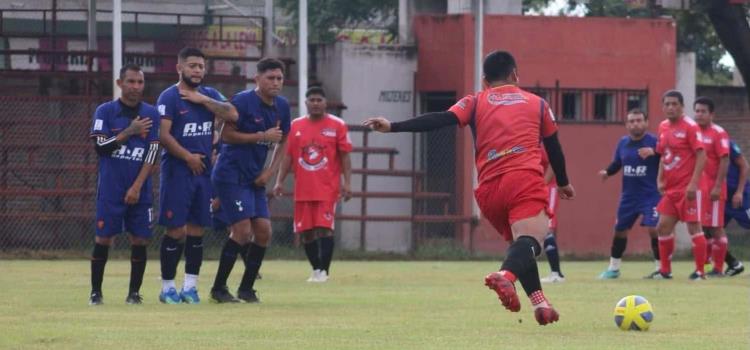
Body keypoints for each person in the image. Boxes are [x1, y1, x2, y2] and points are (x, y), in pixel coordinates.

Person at [364, 51, 574, 325]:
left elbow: (439, 119)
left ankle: (541, 304)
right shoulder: (537, 104)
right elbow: (554, 147)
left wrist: (393, 126)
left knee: (518, 246)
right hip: (523, 180)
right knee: (533, 241)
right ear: (514, 75)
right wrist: (564, 180)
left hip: (488, 192)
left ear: (485, 80)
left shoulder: (475, 101)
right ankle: (505, 276)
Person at [156, 47, 239, 304]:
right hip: (178, 171)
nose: (197, 70)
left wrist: (202, 100)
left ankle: (190, 287)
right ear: (179, 67)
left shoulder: (210, 94)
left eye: (201, 66)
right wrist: (187, 157)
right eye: (192, 65)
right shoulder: (168, 97)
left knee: (196, 230)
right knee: (175, 230)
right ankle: (167, 288)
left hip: (203, 173)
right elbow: (162, 135)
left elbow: (233, 114)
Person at [209, 58, 290, 303]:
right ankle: (219, 288)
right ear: (257, 79)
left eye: (279, 78)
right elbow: (226, 136)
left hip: (255, 177)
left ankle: (246, 289)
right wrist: (260, 136)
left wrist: (270, 172)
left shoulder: (282, 106)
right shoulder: (243, 101)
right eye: (270, 78)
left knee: (264, 232)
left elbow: (285, 140)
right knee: (242, 231)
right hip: (230, 174)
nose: (276, 83)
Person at [88, 64, 160, 305]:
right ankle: (96, 293)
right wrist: (128, 132)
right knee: (103, 239)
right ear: (120, 84)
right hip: (110, 190)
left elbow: (152, 153)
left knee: (140, 239)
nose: (136, 87)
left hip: (139, 190)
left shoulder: (151, 113)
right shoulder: (105, 111)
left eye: (140, 82)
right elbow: (101, 148)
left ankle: (134, 293)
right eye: (131, 82)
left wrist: (137, 186)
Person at [273, 86, 353, 283]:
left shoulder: (337, 125)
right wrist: (279, 181)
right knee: (306, 231)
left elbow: (345, 156)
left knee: (325, 228)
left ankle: (324, 271)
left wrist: (347, 183)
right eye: (312, 100)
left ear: (325, 103)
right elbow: (288, 157)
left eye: (319, 100)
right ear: (306, 103)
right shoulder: (295, 126)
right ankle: (316, 269)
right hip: (303, 190)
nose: (316, 103)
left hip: (327, 188)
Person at [597, 109, 662, 279]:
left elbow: (669, 156)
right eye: (632, 121)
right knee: (619, 230)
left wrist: (655, 152)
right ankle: (613, 268)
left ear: (646, 123)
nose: (635, 124)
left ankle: (661, 268)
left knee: (654, 229)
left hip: (651, 195)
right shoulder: (623, 143)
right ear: (627, 125)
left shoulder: (655, 142)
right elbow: (617, 163)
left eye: (639, 120)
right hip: (629, 196)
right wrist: (607, 172)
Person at [654, 90, 707, 280]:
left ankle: (700, 272)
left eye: (674, 104)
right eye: (667, 104)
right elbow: (663, 154)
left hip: (688, 188)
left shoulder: (691, 127)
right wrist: (660, 178)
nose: (670, 107)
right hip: (671, 189)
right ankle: (665, 271)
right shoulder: (662, 127)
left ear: (682, 106)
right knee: (662, 226)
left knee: (694, 227)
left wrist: (693, 184)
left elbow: (702, 156)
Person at [693, 96, 731, 277]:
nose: (699, 114)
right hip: (698, 189)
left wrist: (717, 186)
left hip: (713, 189)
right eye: (697, 110)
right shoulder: (693, 132)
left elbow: (725, 159)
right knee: (702, 227)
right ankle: (705, 266)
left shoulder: (718, 133)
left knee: (716, 227)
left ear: (711, 114)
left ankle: (719, 268)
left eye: (703, 111)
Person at [723, 140, 747, 276]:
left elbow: (744, 166)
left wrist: (739, 192)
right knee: (709, 231)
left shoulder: (725, 142)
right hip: (719, 197)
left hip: (741, 195)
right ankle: (733, 264)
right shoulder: (695, 143)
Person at [539, 149, 565, 283]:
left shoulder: (543, 142)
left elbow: (554, 163)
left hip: (548, 189)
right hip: (533, 189)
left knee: (547, 228)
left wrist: (542, 185)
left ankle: (556, 274)